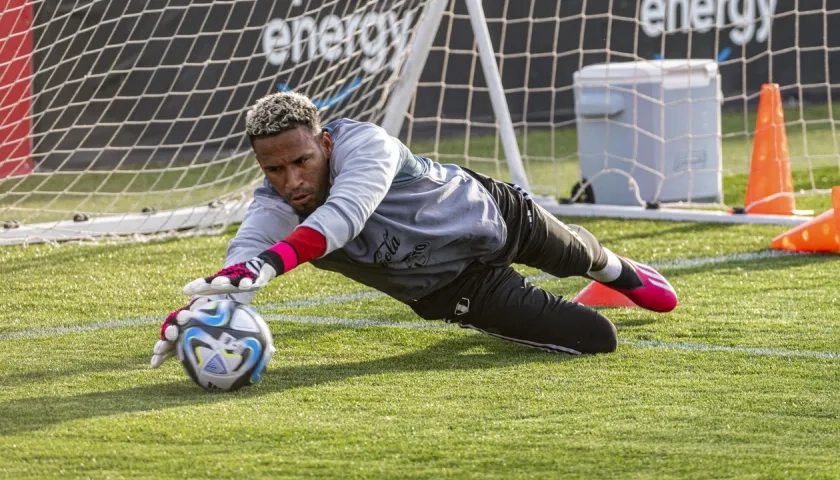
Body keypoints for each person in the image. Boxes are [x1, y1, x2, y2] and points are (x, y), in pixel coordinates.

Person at [151, 91, 677, 368]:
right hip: (456, 290)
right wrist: (206, 309)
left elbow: (345, 216)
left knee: (585, 257)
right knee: (597, 338)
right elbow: (243, 256)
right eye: (274, 170)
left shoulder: (367, 146)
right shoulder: (275, 206)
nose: (291, 181)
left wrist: (270, 263)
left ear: (326, 144)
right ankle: (557, 302)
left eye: (301, 161)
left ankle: (618, 272)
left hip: (495, 216)